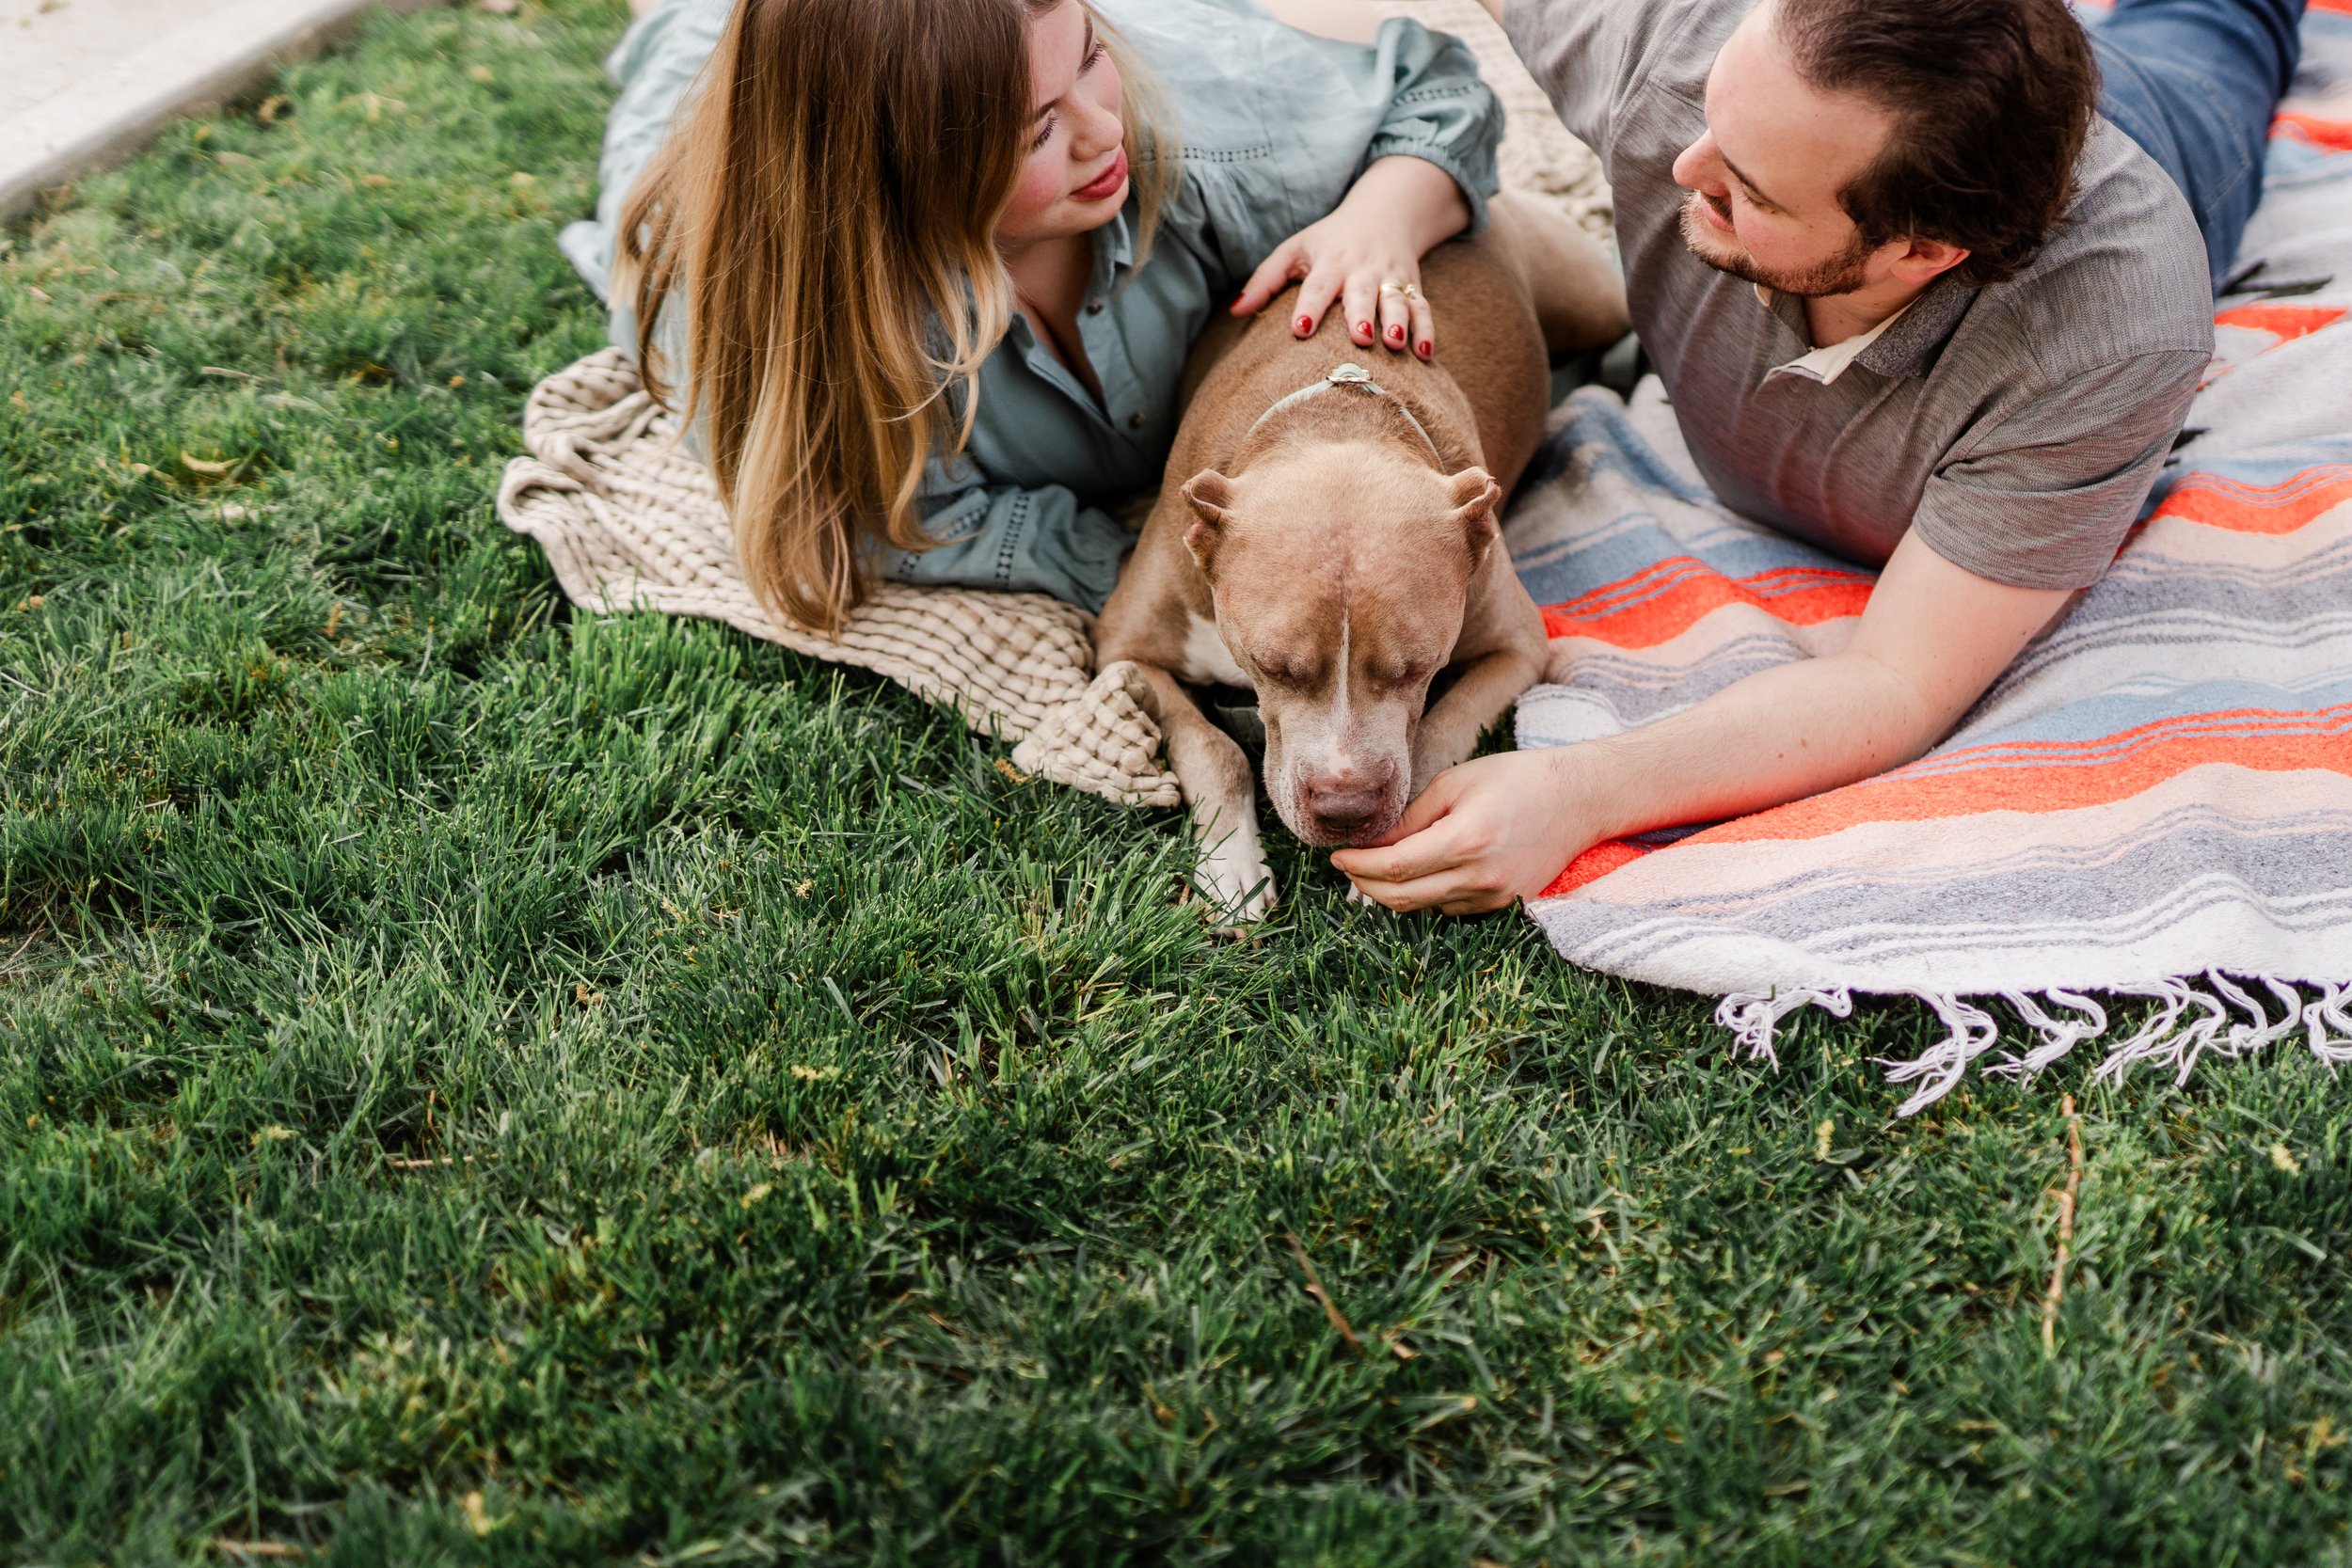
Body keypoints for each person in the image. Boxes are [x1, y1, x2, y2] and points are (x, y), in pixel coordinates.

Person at [1335, 0, 2309, 914]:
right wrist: (1385, 207)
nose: (1682, 165)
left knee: (2216, 24)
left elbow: (1893, 680)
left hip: (2157, 121)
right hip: (1944, 117)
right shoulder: (1682, 54)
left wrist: (1577, 791)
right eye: (1710, 115)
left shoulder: (2108, 330)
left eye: (1744, 188)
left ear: (1919, 254)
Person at [557, 0, 1626, 631]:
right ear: (891, 188)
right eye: (1033, 135)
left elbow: (1434, 86)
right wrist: (1154, 565)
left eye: (1088, 61)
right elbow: (865, 522)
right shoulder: (749, 324)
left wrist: (1384, 213)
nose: (1098, 128)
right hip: (710, 74)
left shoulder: (1196, 124)